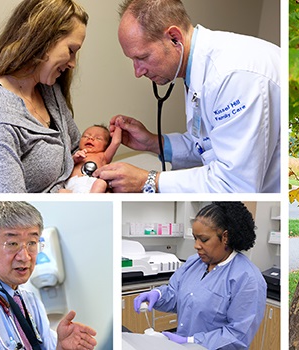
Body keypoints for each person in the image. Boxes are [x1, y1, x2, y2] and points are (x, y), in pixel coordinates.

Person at [94, 0, 281, 193]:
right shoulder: (198, 69)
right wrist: (153, 142)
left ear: (174, 38)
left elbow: (234, 184)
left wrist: (149, 181)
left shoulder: (233, 77)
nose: (137, 72)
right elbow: (209, 143)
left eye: (141, 58)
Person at [0, 0, 88, 192]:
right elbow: (9, 203)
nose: (73, 63)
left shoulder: (48, 90)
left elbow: (75, 147)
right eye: (71, 50)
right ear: (43, 39)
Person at [0, 201, 97, 349]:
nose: (25, 257)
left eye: (32, 243)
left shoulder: (30, 301)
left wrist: (60, 347)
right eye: (12, 244)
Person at [132, 202, 266, 349]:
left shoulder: (247, 279)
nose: (196, 245)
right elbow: (175, 294)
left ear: (225, 237)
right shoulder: (193, 262)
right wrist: (157, 295)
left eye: (203, 239)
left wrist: (191, 341)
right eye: (195, 238)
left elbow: (237, 336)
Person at [63, 125, 121, 193]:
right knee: (62, 191)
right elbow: (66, 167)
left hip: (92, 185)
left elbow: (116, 142)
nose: (90, 138)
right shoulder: (76, 154)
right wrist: (74, 159)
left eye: (98, 138)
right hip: (73, 185)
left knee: (101, 183)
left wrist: (118, 126)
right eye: (85, 136)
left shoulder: (103, 156)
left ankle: (92, 201)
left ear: (107, 146)